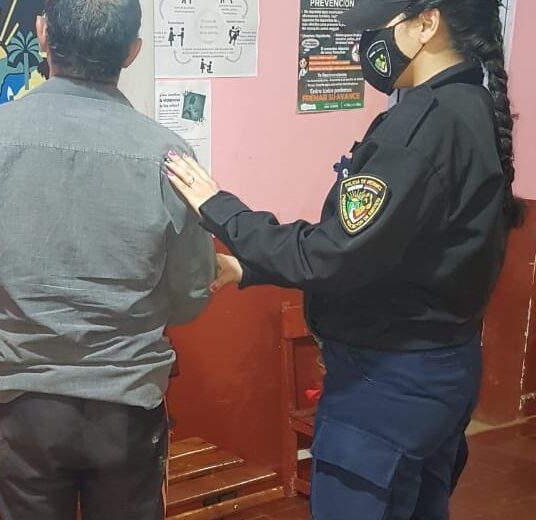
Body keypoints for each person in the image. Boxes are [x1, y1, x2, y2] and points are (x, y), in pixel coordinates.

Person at [165, 0, 523, 518]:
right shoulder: (470, 106)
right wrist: (251, 267)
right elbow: (390, 247)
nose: (364, 46)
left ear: (427, 23)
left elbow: (334, 254)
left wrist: (221, 210)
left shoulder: (423, 127)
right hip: (443, 368)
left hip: (387, 386)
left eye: (378, 27)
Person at [0, 0, 216, 519]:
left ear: (41, 33)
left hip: (19, 405)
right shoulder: (169, 155)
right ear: (132, 51)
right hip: (128, 406)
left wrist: (17, 322)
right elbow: (192, 295)